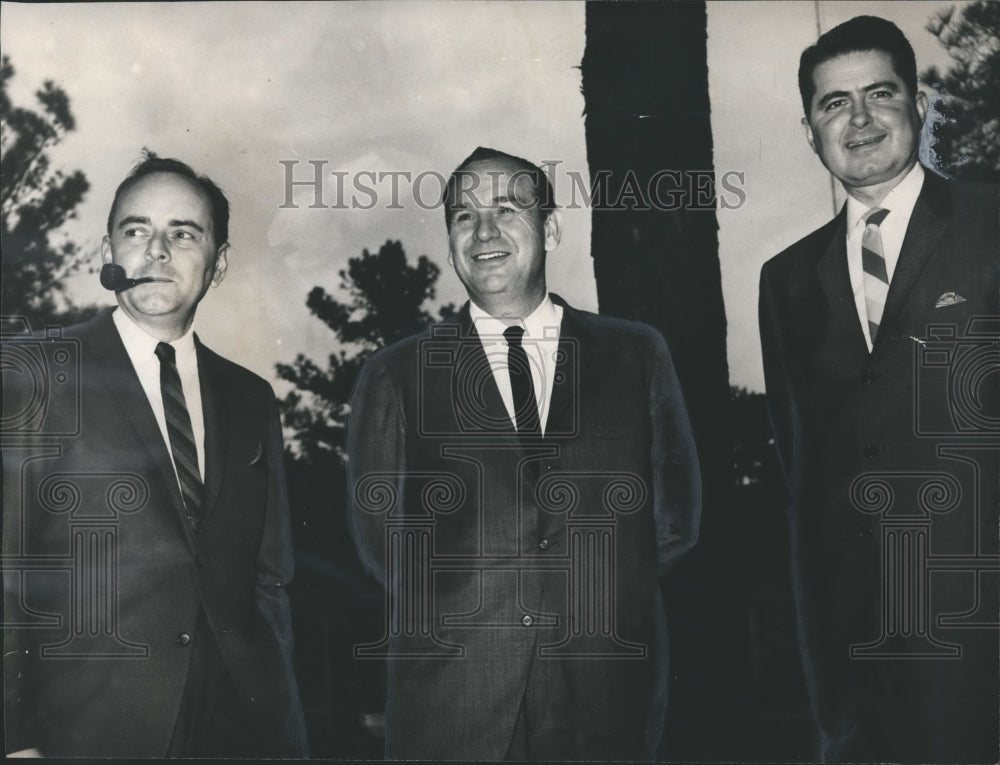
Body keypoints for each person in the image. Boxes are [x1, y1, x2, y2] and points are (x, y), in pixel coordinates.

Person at [347, 146, 701, 761]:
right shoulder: (397, 375)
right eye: (463, 215)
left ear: (552, 227)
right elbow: (381, 542)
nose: (484, 231)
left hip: (604, 700)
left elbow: (674, 522)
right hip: (454, 705)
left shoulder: (634, 356)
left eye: (508, 209)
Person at [2, 152, 309, 757]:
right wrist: (14, 736)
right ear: (106, 252)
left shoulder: (251, 398)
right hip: (86, 729)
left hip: (237, 729)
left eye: (183, 233)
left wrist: (284, 732)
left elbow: (269, 581)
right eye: (136, 230)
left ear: (217, 265)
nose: (157, 252)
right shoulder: (33, 374)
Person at [759, 16, 998, 763]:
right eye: (834, 104)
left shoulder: (990, 225)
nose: (858, 119)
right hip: (854, 663)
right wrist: (818, 664)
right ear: (809, 130)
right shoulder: (787, 280)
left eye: (879, 94)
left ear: (917, 105)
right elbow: (802, 481)